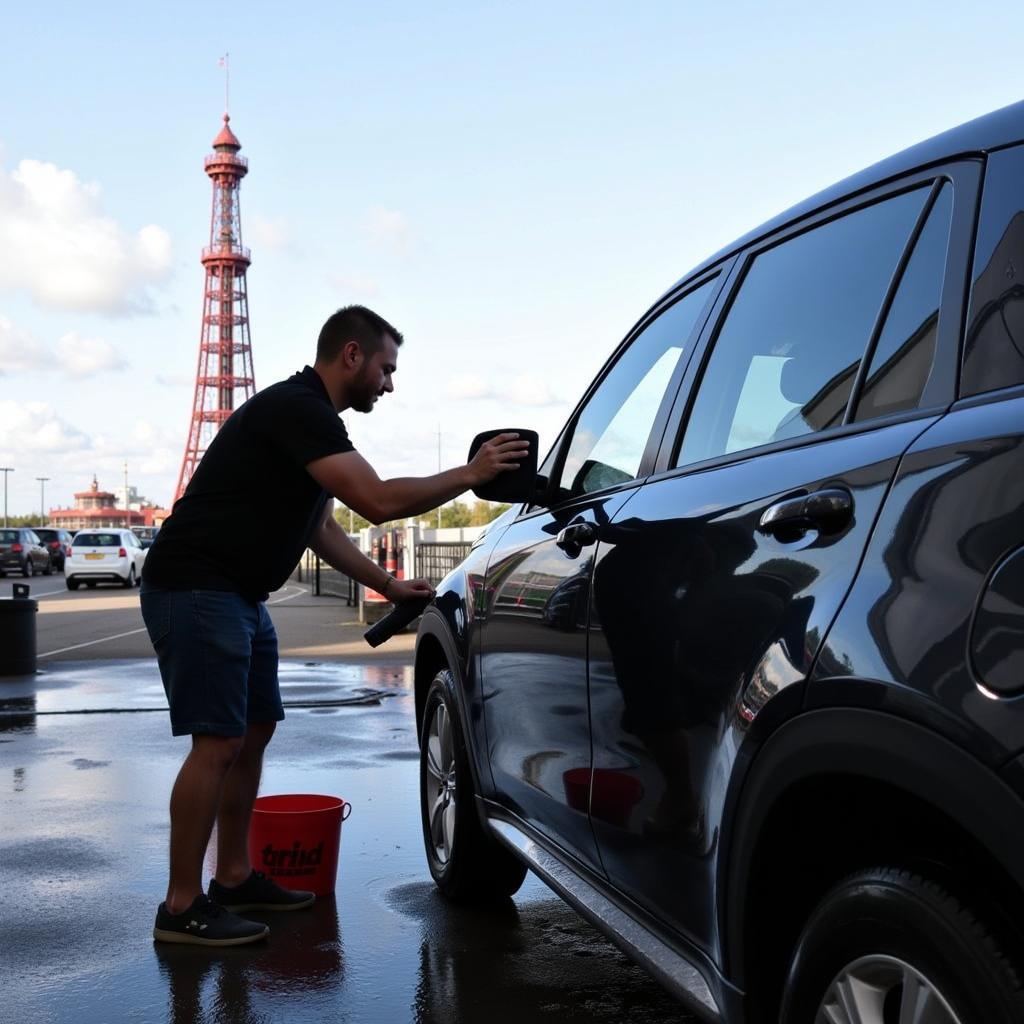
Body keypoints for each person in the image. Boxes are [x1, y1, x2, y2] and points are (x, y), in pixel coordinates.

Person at [141, 305, 528, 946]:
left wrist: (387, 586)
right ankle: (181, 907)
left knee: (253, 731)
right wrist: (472, 473)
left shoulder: (311, 426)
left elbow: (320, 527)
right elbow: (375, 502)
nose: (389, 384)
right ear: (351, 355)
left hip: (238, 595)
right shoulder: (299, 410)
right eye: (385, 368)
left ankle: (233, 877)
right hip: (196, 588)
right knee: (216, 743)